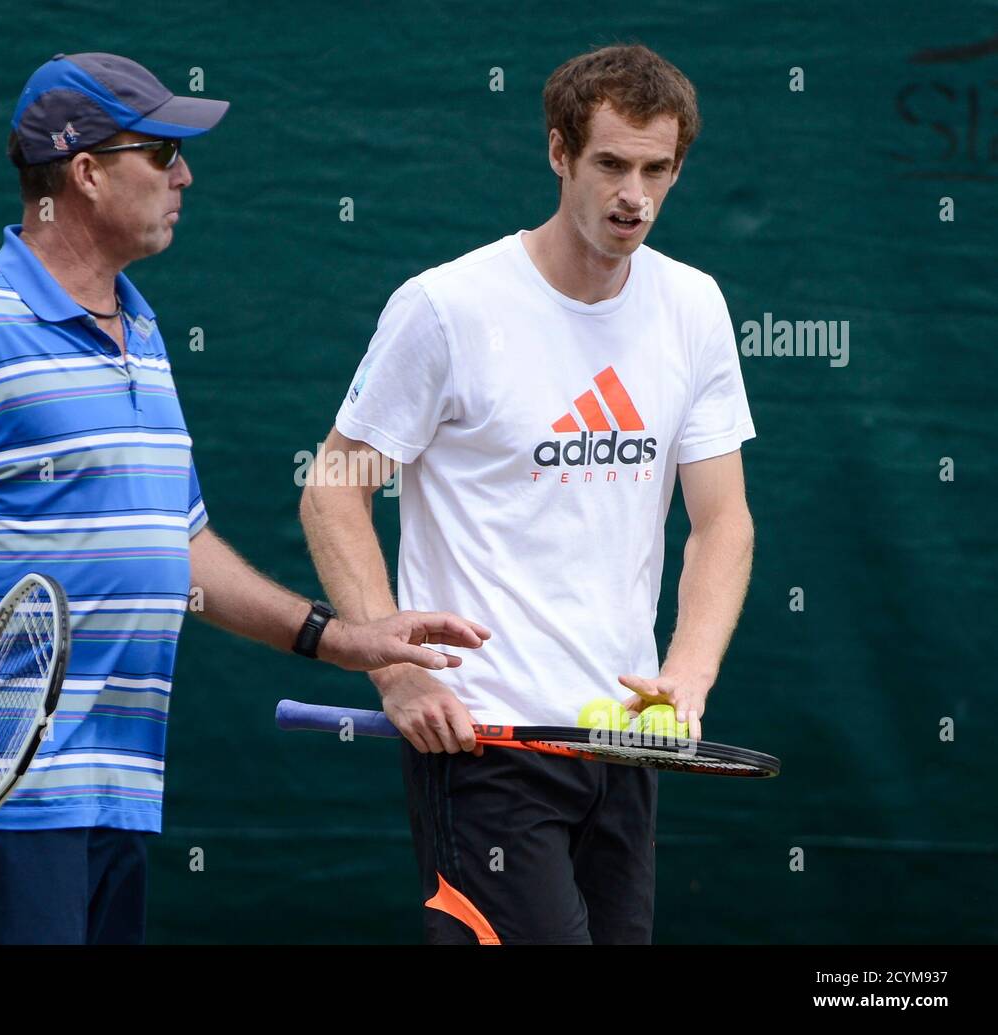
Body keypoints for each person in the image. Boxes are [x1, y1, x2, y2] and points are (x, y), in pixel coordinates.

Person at [0, 52, 489, 945]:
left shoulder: (140, 329)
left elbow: (179, 545)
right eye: (163, 152)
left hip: (116, 796)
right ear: (86, 172)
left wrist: (339, 638)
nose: (185, 174)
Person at [299, 43, 756, 944]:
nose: (634, 195)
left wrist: (687, 679)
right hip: (484, 743)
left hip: (625, 743)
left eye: (657, 169)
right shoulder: (447, 307)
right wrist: (391, 669)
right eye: (611, 164)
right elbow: (333, 487)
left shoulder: (694, 306)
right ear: (559, 154)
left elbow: (723, 521)